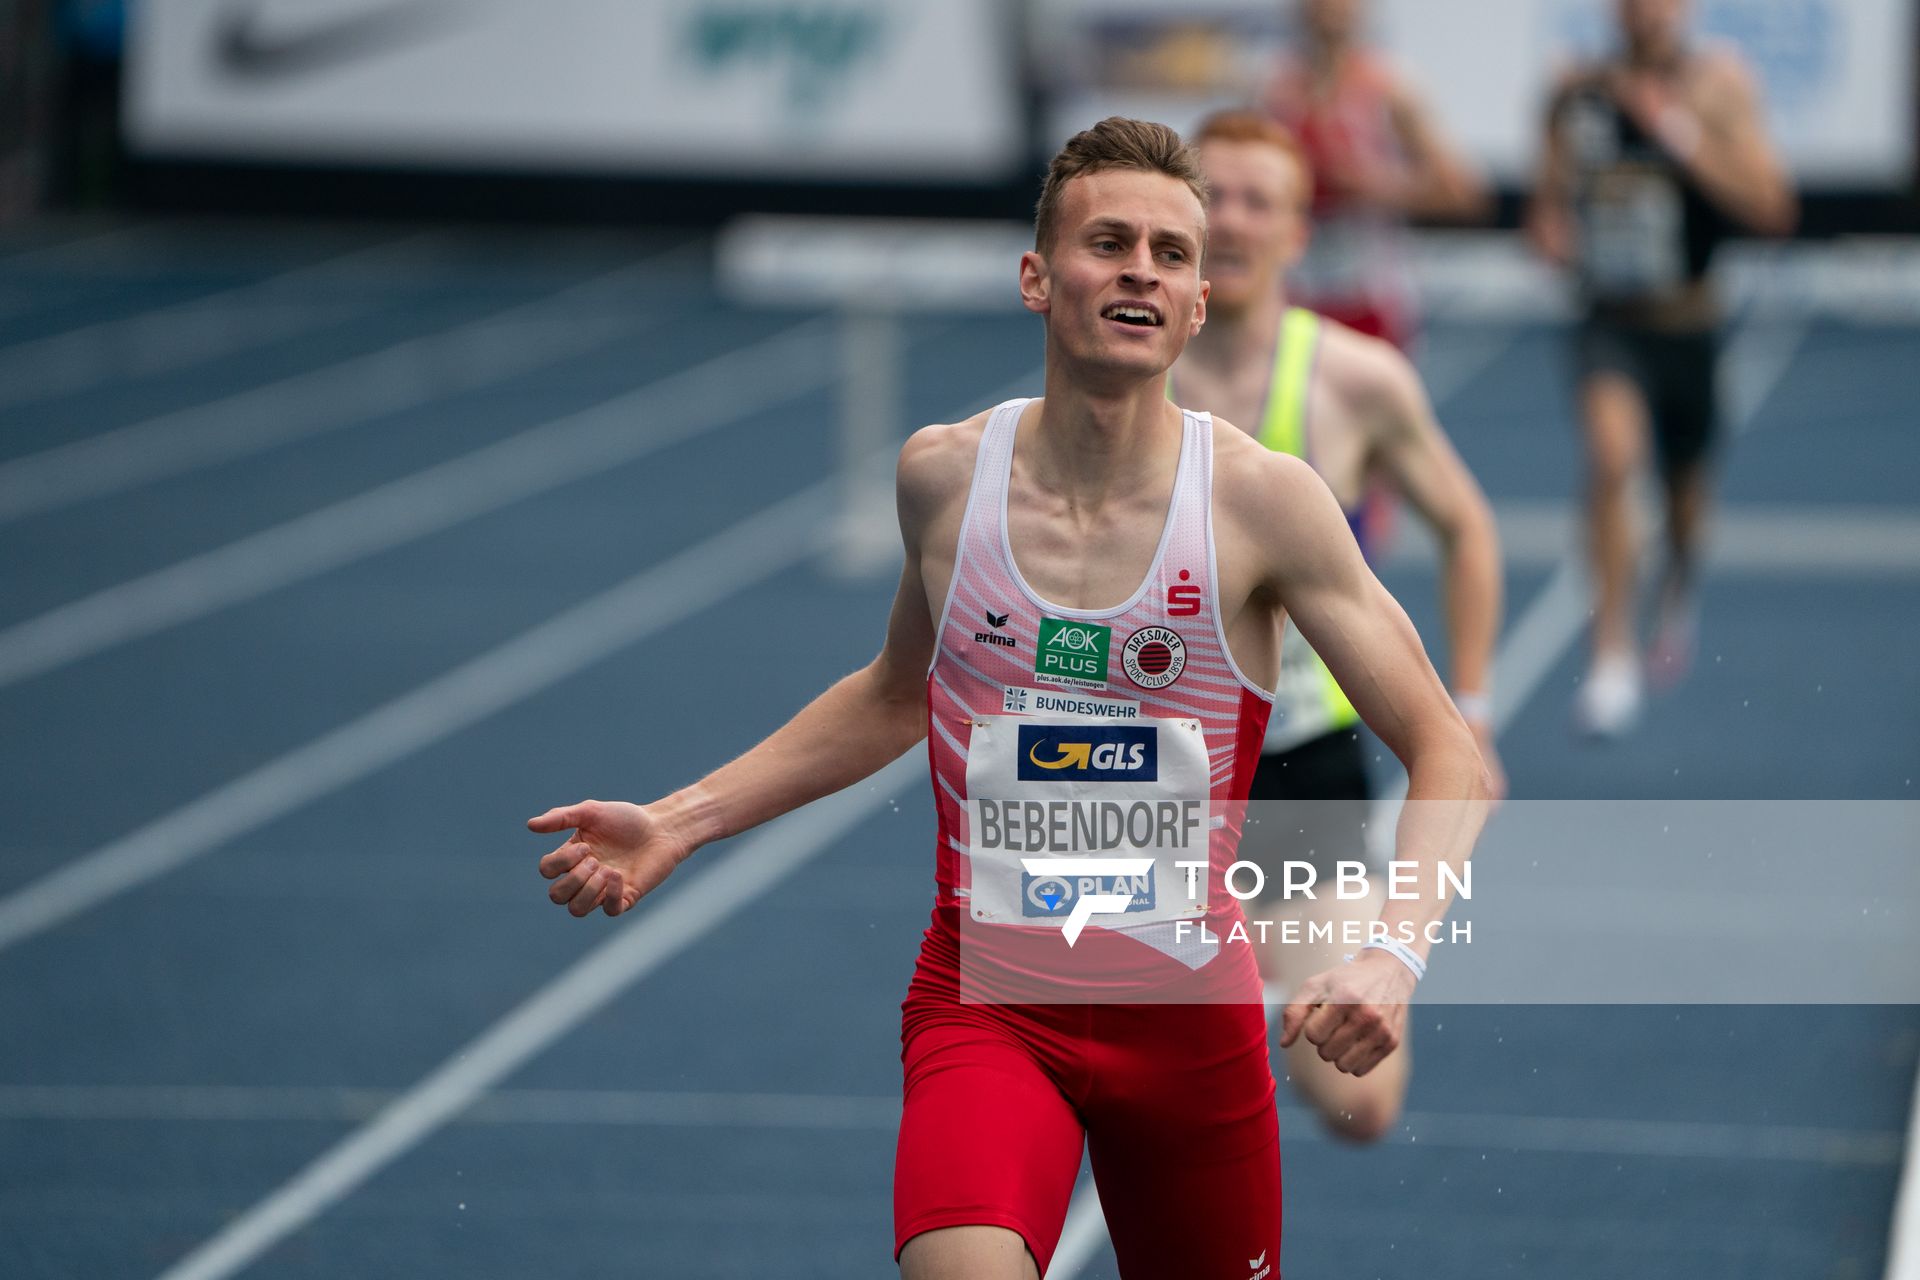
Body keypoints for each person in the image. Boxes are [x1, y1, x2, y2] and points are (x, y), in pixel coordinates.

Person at [531, 117, 1489, 1280]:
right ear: (1038, 277)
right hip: (988, 1007)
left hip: (1188, 1027)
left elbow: (1449, 750)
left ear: (1194, 307)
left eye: (1172, 255)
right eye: (1109, 241)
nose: (1143, 266)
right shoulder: (944, 477)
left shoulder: (1261, 504)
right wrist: (680, 818)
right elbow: (894, 692)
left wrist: (1393, 955)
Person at [1170, 110, 1504, 1143]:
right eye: (1208, 195)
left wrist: (1474, 703)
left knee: (1360, 1102)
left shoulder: (1355, 379)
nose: (1229, 218)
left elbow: (1466, 524)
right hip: (1148, 767)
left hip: (1297, 766)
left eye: (1256, 199)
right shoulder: (1118, 368)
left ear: (1298, 231)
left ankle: (1241, 1003)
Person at [1528, 0, 1795, 736]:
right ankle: (1612, 655)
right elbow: (1546, 207)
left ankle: (1677, 581)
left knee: (1682, 503)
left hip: (1690, 322)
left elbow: (1773, 206)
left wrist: (1675, 132)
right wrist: (1552, 236)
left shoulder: (1718, 86)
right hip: (1609, 322)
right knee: (1612, 461)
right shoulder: (1575, 93)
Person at [1260, 0, 1487, 354]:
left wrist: (1375, 186)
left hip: (1372, 301)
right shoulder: (1276, 92)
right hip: (1292, 299)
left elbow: (1462, 193)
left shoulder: (1389, 90)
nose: (1327, 9)